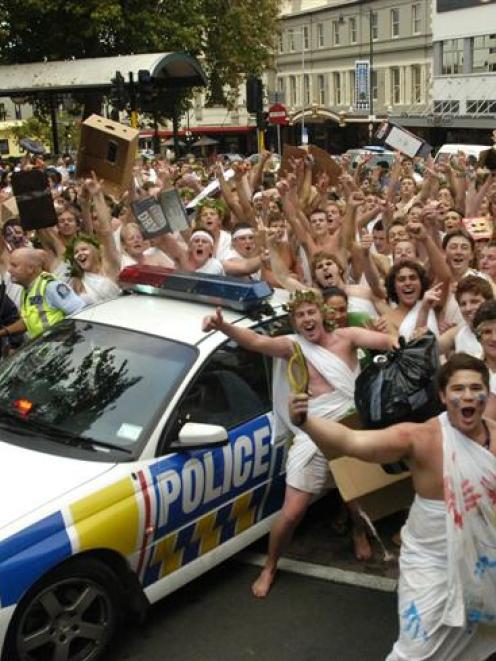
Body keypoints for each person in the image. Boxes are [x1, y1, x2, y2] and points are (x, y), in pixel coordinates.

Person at [289, 353, 496, 661]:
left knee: (480, 629)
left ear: (486, 394)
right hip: (431, 562)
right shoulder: (420, 438)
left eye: (475, 388)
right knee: (415, 651)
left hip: (484, 554)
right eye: (458, 389)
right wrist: (305, 421)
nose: (467, 396)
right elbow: (351, 442)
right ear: (442, 395)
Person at [202, 290, 396, 597]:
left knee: (358, 498)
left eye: (311, 312)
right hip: (313, 433)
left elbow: (387, 343)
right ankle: (270, 565)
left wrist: (402, 336)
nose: (307, 319)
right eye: (300, 315)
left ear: (323, 314)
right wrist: (223, 326)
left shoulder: (348, 337)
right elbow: (256, 342)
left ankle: (359, 532)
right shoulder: (292, 346)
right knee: (292, 513)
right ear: (295, 321)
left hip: (350, 428)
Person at [1, 247, 85, 340]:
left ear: (31, 269)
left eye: (14, 265)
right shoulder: (26, 290)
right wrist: (5, 332)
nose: (9, 270)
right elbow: (28, 321)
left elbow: (80, 313)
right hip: (47, 349)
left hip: (62, 347)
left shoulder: (51, 287)